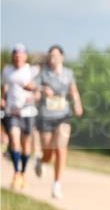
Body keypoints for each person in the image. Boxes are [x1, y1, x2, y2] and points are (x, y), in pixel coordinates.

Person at [35, 45, 84, 198]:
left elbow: (73, 90)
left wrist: (77, 104)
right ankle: (41, 160)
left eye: (56, 55)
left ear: (62, 57)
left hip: (63, 116)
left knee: (61, 148)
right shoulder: (43, 73)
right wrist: (42, 90)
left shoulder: (68, 73)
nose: (53, 58)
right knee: (48, 152)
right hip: (46, 116)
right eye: (51, 56)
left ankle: (57, 184)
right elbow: (32, 86)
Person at [2, 43, 39, 190]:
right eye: (15, 55)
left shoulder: (32, 71)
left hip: (28, 112)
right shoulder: (7, 70)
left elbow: (37, 88)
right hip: (12, 112)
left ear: (25, 56)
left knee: (26, 145)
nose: (18, 58)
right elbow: (5, 86)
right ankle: (16, 173)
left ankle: (23, 173)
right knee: (14, 140)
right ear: (13, 56)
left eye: (20, 55)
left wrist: (34, 94)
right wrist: (3, 99)